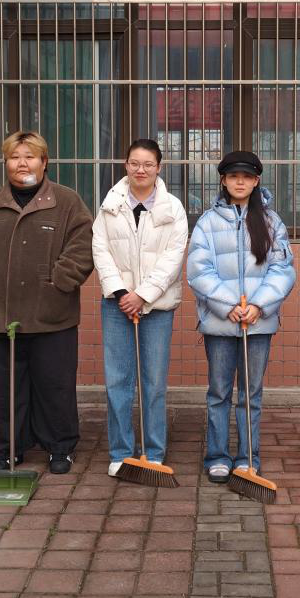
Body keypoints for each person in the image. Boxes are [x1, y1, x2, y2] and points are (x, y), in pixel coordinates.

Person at [0, 131, 94, 476]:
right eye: (15, 157)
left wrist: (58, 282)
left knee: (55, 386)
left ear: (44, 162)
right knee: (2, 389)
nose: (22, 163)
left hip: (52, 316)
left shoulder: (67, 202)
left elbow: (82, 247)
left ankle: (60, 447)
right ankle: (5, 450)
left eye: (30, 156)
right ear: (5, 163)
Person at [187, 151, 296, 484]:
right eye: (233, 176)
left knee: (251, 394)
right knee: (219, 392)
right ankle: (218, 456)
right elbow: (198, 270)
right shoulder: (207, 222)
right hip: (221, 322)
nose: (240, 182)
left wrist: (258, 305)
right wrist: (228, 305)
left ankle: (249, 457)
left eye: (246, 176)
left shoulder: (271, 222)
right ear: (223, 180)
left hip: (258, 323)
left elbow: (282, 269)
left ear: (256, 180)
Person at [92, 139, 189, 476]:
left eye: (148, 164)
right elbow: (100, 249)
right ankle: (121, 451)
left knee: (153, 381)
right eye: (135, 163)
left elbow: (173, 258)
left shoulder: (172, 208)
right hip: (116, 304)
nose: (141, 170)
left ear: (159, 167)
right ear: (126, 165)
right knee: (118, 381)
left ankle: (153, 451)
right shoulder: (110, 204)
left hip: (157, 306)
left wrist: (143, 295)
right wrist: (121, 292)